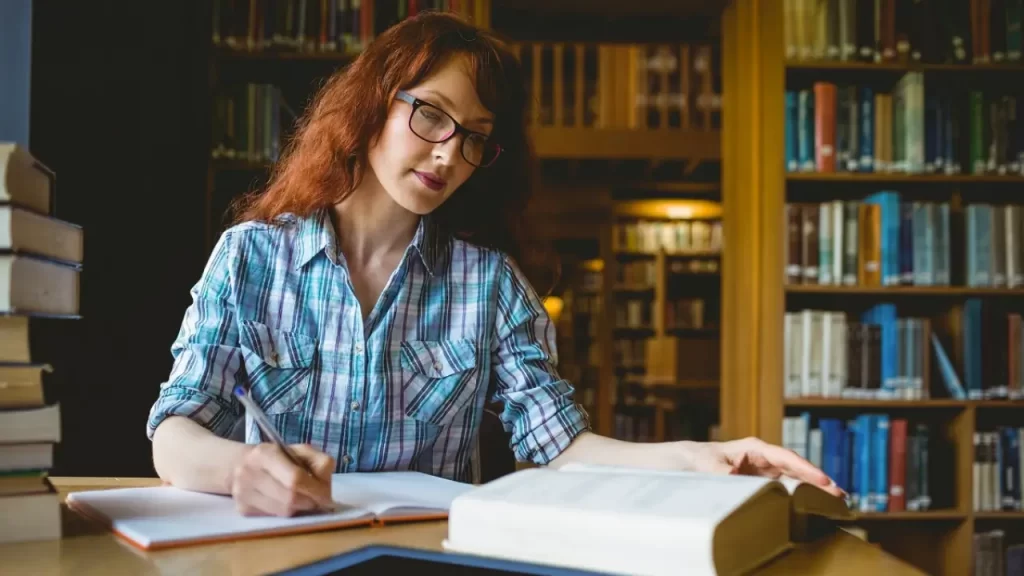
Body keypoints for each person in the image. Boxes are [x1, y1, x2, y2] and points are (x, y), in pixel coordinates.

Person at [148, 11, 841, 518]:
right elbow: (175, 430)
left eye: (474, 137)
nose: (448, 154)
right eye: (430, 116)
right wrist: (244, 466)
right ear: (371, 107)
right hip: (270, 552)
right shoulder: (250, 259)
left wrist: (701, 457)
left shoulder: (489, 286)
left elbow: (558, 443)